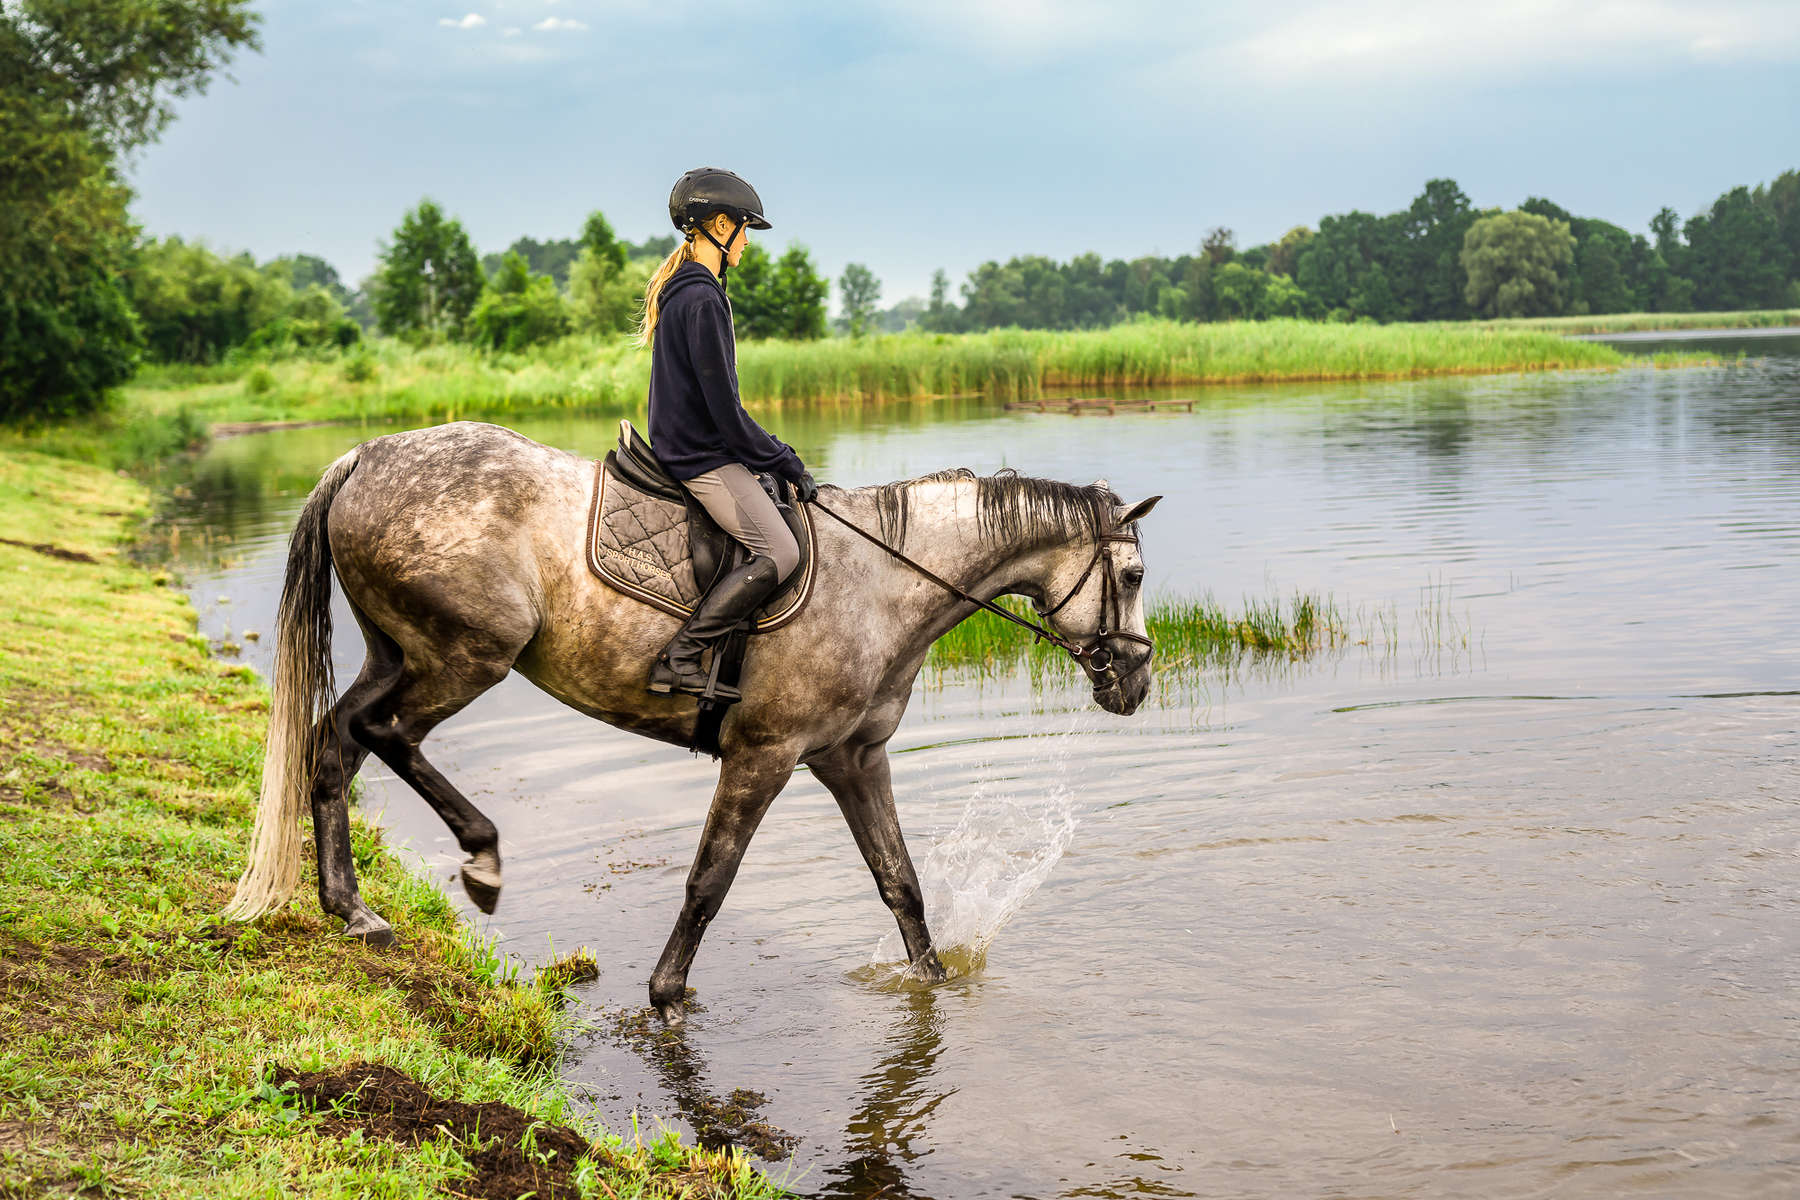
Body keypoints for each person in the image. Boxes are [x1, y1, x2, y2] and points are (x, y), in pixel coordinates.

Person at [638, 167, 819, 699]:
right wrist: (786, 460)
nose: (746, 243)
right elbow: (727, 416)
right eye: (744, 229)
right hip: (699, 457)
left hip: (693, 446)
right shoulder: (701, 300)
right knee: (782, 554)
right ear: (720, 225)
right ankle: (683, 655)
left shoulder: (688, 291)